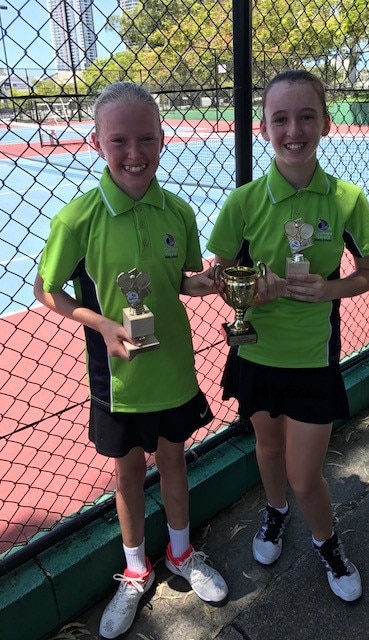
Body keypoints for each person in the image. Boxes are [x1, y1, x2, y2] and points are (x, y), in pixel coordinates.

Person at [33, 81, 228, 639]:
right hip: (118, 380)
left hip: (173, 369)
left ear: (163, 140)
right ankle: (136, 569)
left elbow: (186, 281)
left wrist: (215, 283)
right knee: (126, 477)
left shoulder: (180, 211)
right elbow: (48, 290)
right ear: (97, 142)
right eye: (120, 140)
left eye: (146, 138)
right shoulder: (79, 218)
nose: (135, 152)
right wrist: (102, 325)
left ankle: (182, 554)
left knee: (174, 462)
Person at [207, 70, 369, 603]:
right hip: (256, 351)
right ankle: (274, 512)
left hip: (311, 359)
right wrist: (248, 294)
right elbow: (220, 279)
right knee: (267, 444)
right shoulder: (242, 204)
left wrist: (330, 290)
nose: (294, 129)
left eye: (306, 115)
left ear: (326, 123)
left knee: (307, 476)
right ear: (263, 129)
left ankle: (327, 543)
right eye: (280, 118)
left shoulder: (348, 200)